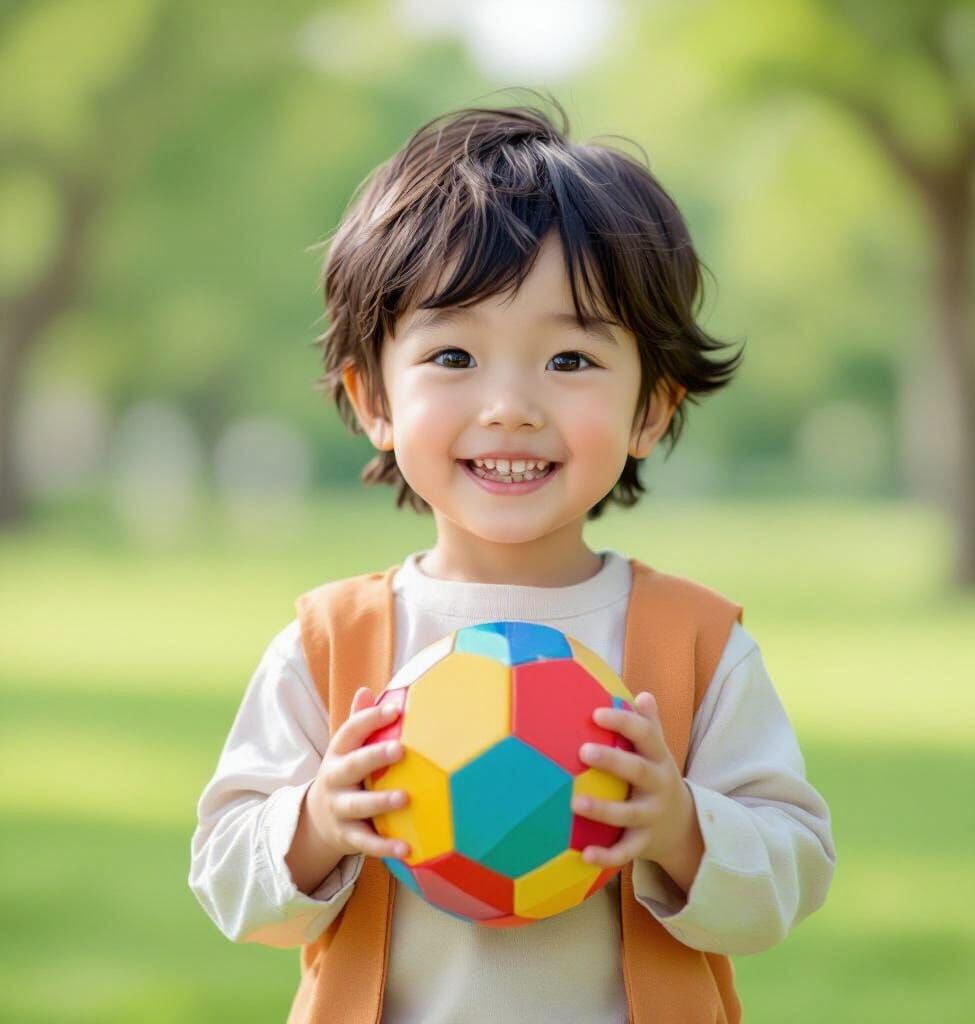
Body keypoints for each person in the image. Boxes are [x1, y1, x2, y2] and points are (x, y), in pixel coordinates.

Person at [188, 96, 836, 1023]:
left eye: (569, 361)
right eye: (453, 355)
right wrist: (318, 823)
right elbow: (226, 879)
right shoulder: (330, 644)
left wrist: (680, 827)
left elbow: (794, 873)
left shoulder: (695, 644)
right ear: (372, 397)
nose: (509, 406)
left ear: (652, 407)